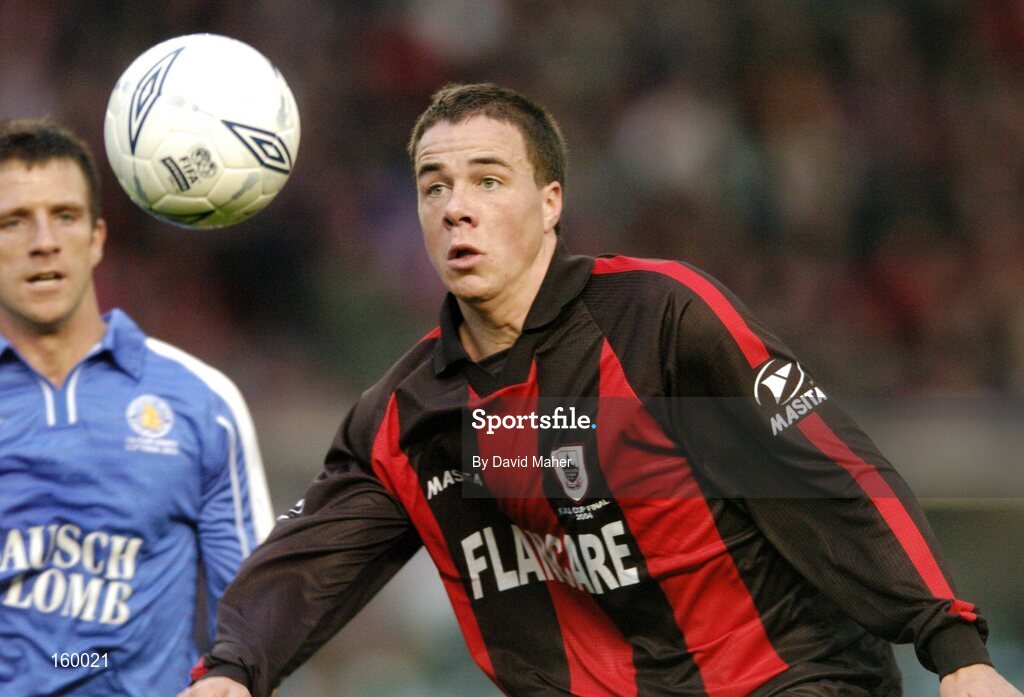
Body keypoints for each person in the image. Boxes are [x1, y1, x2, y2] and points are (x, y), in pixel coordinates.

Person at [184, 84, 1021, 697]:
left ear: (550, 203)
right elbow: (305, 563)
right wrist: (230, 670)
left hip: (788, 679)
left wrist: (954, 647)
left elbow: (830, 475)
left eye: (487, 180)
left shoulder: (661, 320)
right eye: (434, 186)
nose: (455, 208)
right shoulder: (404, 418)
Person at [0, 119, 275, 696]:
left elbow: (252, 632)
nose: (44, 241)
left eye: (64, 216)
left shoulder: (202, 403)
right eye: (14, 221)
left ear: (97, 237)